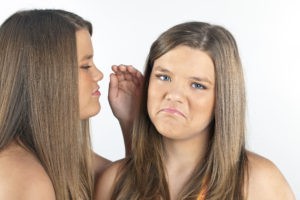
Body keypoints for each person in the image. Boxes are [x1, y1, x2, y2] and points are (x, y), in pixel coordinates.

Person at [94, 21, 295, 199]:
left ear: (223, 98)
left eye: (198, 85)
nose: (173, 95)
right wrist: (131, 121)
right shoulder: (113, 181)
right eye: (164, 77)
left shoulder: (258, 181)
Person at [0, 9, 143, 200]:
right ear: (46, 77)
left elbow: (135, 185)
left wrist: (131, 121)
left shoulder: (60, 154)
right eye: (85, 66)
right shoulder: (24, 179)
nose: (99, 74)